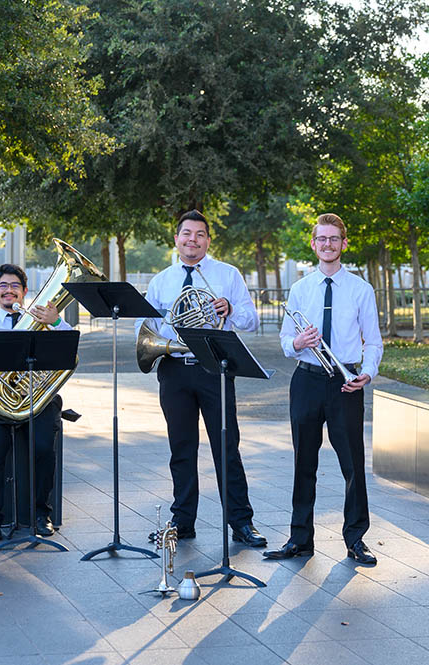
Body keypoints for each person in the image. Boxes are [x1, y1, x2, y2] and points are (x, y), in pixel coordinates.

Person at [137, 209, 266, 547]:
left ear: (208, 240)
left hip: (215, 367)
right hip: (174, 369)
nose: (192, 240)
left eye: (199, 235)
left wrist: (230, 310)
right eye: (186, 234)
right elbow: (148, 329)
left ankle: (241, 523)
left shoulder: (228, 274)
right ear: (176, 239)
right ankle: (182, 521)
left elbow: (252, 321)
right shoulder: (161, 280)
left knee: (227, 448)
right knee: (181, 449)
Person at [265, 213, 383, 565]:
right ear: (313, 244)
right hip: (306, 379)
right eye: (322, 239)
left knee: (352, 464)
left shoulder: (361, 289)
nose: (328, 244)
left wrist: (369, 373)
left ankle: (356, 539)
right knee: (304, 461)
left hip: (345, 383)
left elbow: (373, 342)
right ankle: (300, 539)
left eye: (334, 239)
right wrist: (298, 341)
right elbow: (286, 340)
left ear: (344, 243)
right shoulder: (300, 289)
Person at [0, 264, 68, 540]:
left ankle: (40, 513)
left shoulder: (43, 318)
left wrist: (56, 321)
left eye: (14, 286)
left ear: (25, 292)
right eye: (3, 286)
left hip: (37, 399)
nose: (8, 290)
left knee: (44, 448)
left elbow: (69, 347)